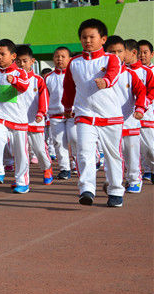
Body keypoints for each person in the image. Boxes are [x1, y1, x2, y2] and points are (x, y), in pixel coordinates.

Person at [62, 19, 141, 207]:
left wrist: (105, 81)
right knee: (84, 152)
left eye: (92, 37)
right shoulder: (74, 63)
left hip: (110, 117)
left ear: (103, 39)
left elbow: (113, 74)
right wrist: (67, 107)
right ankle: (87, 189)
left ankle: (115, 191)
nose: (87, 41)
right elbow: (68, 89)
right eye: (84, 37)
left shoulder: (110, 59)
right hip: (85, 115)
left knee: (113, 155)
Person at [0, 38, 31, 192]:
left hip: (18, 119)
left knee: (20, 153)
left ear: (13, 56)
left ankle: (22, 182)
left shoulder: (21, 72)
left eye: (2, 54)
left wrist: (15, 81)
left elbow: (24, 86)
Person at [107, 38, 149, 194]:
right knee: (114, 156)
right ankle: (115, 181)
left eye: (119, 51)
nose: (116, 55)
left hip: (130, 122)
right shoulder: (102, 74)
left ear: (125, 53)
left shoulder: (130, 74)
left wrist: (139, 108)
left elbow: (141, 92)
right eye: (112, 52)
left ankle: (134, 180)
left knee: (131, 154)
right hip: (109, 123)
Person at [16, 45, 54, 185]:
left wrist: (41, 113)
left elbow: (44, 97)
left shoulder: (38, 80)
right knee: (21, 150)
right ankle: (22, 179)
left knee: (39, 149)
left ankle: (47, 168)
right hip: (18, 121)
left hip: (34, 119)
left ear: (33, 61)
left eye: (25, 61)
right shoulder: (12, 79)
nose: (21, 64)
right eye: (18, 61)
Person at [45, 47, 76, 179]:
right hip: (55, 115)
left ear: (69, 59)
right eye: (57, 56)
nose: (60, 59)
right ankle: (65, 169)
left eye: (63, 56)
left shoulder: (75, 75)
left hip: (73, 114)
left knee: (75, 138)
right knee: (58, 142)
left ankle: (77, 163)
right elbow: (45, 97)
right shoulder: (48, 77)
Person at [137, 39, 154, 183]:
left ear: (152, 54)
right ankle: (147, 170)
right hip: (140, 114)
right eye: (140, 53)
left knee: (151, 146)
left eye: (145, 52)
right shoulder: (134, 72)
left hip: (150, 112)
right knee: (143, 146)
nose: (142, 55)